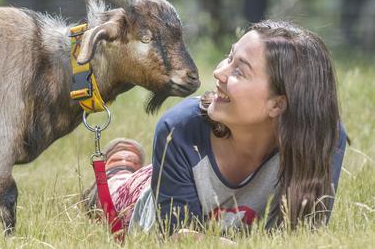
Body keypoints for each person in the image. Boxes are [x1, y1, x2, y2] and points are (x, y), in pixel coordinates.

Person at [83, 19, 347, 236]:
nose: (219, 72)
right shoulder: (179, 129)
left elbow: (306, 235)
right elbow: (181, 239)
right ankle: (118, 170)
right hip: (145, 209)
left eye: (239, 71)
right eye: (228, 57)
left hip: (202, 195)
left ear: (278, 105)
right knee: (116, 199)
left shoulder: (322, 140)